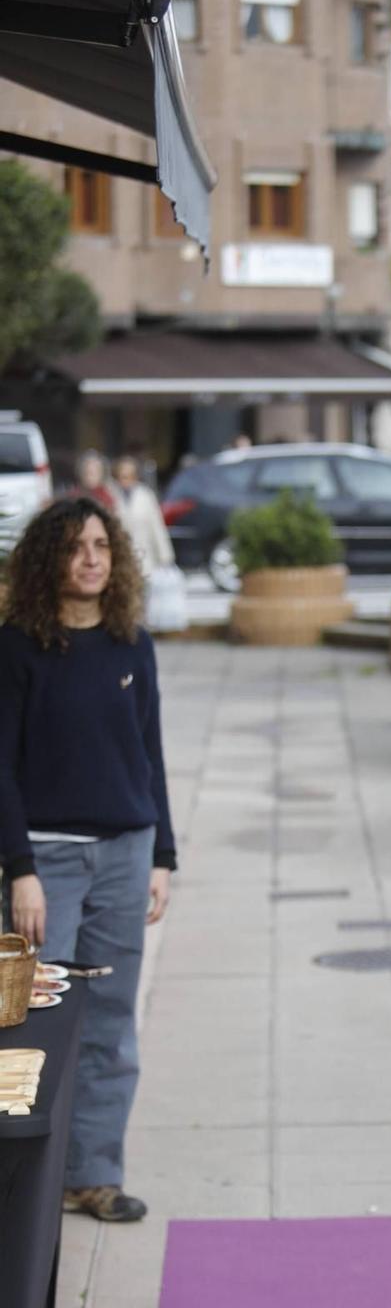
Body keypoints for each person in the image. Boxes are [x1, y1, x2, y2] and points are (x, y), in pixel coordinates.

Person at [0, 497, 176, 1223]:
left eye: (102, 545)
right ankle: (23, 1182)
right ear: (51, 560)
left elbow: (150, 753)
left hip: (125, 855)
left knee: (109, 1022)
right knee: (30, 1021)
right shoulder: (15, 646)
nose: (92, 558)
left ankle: (92, 1175)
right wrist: (20, 870)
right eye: (75, 547)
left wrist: (163, 854)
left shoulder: (131, 641)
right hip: (46, 860)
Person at [112, 454, 175, 579]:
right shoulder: (111, 495)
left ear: (135, 476)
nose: (125, 480)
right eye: (122, 476)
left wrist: (165, 556)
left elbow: (156, 527)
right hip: (120, 559)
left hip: (145, 559)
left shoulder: (146, 496)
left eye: (129, 476)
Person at [73, 449, 122, 514]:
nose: (90, 476)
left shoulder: (108, 497)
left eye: (95, 472)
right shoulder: (73, 496)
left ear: (102, 474)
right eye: (87, 472)